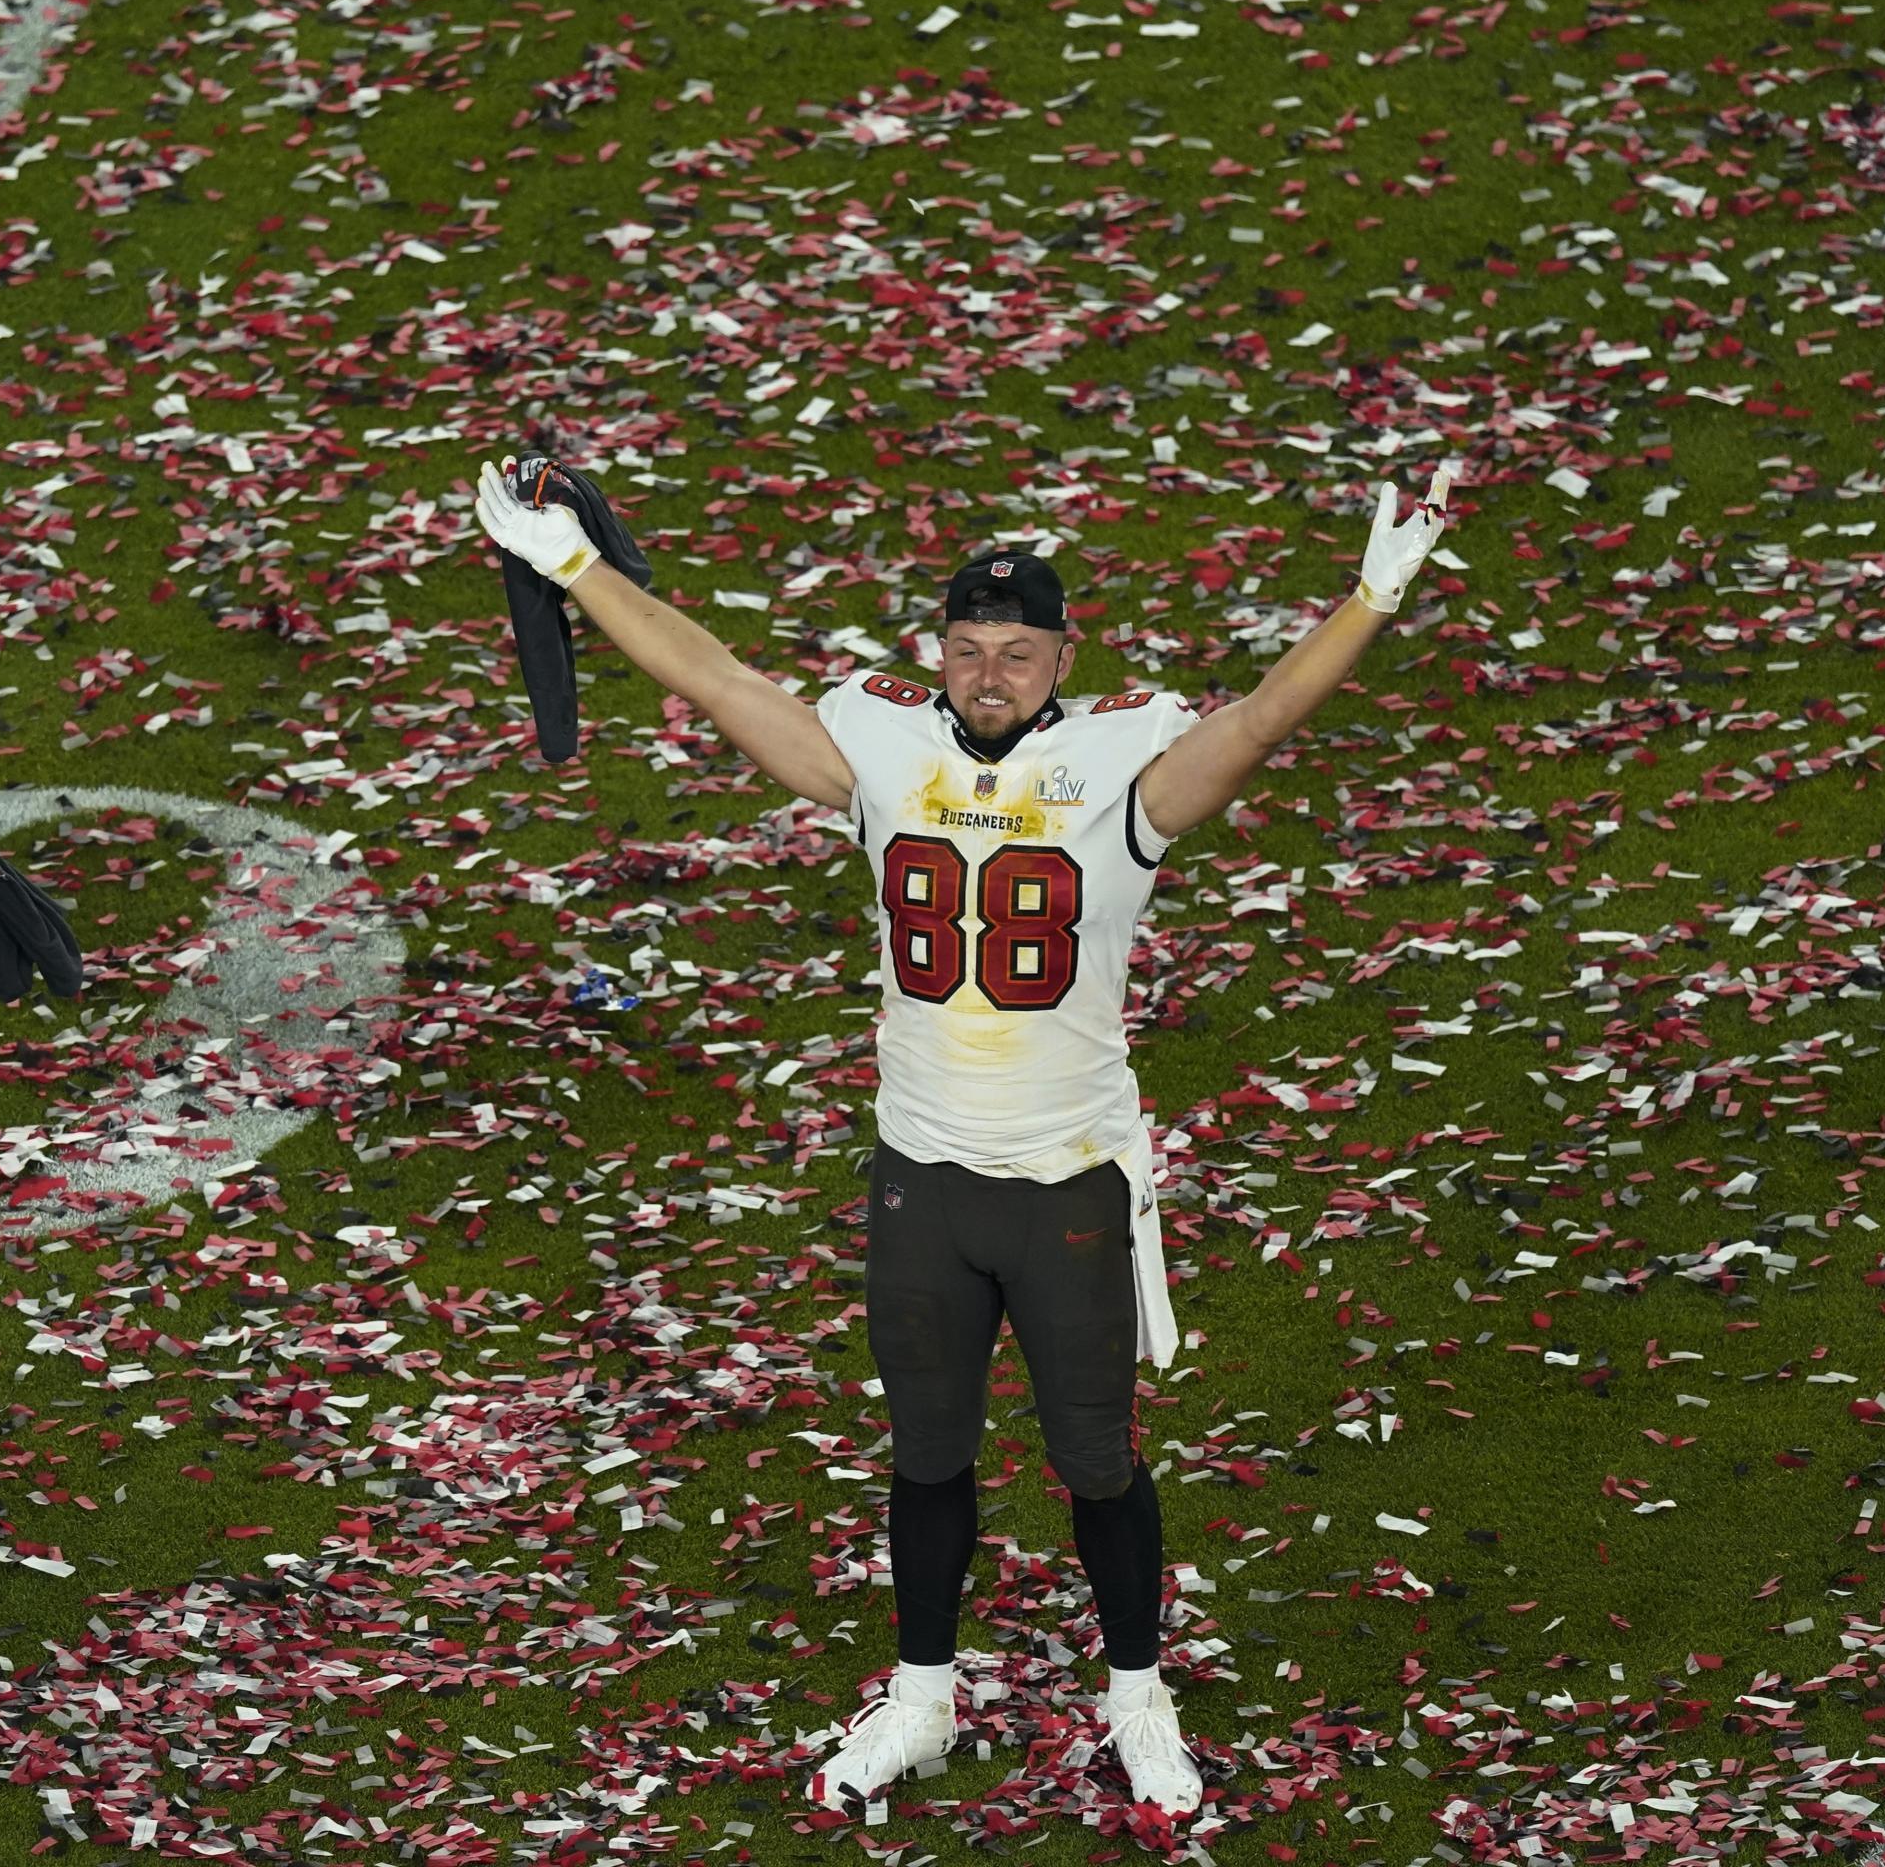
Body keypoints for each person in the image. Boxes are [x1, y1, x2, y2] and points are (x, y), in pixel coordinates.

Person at [470, 454, 1456, 1815]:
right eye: (968, 647)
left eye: (1017, 650)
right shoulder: (885, 740)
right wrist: (573, 566)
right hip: (923, 1176)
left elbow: (1260, 724)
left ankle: (1137, 1696)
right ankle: (923, 1697)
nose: (990, 673)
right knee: (926, 1451)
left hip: (1065, 1185)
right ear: (938, 651)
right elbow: (722, 684)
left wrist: (1371, 597)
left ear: (1064, 656)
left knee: (1097, 1460)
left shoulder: (1118, 762)